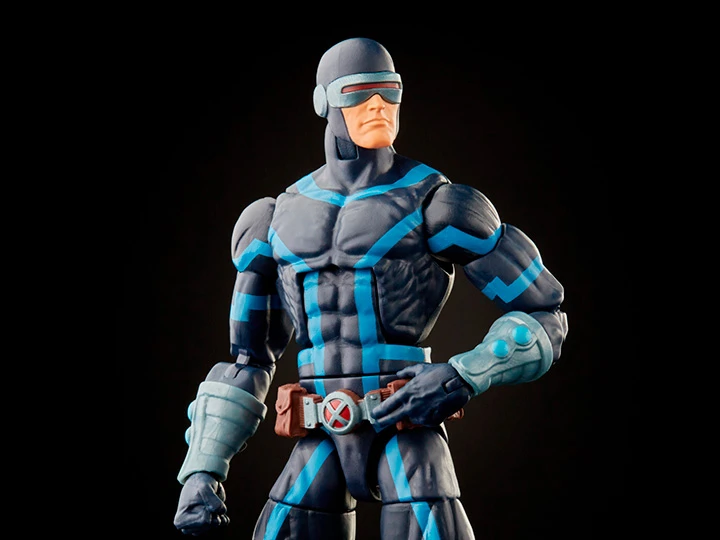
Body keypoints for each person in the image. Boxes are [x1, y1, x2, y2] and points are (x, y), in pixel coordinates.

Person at [173, 37, 568, 540]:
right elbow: (248, 359)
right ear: (324, 102)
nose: (379, 105)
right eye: (359, 93)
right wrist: (202, 470)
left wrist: (464, 374)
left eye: (389, 92)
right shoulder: (275, 220)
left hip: (405, 427)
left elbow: (546, 313)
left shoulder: (440, 206)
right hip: (319, 434)